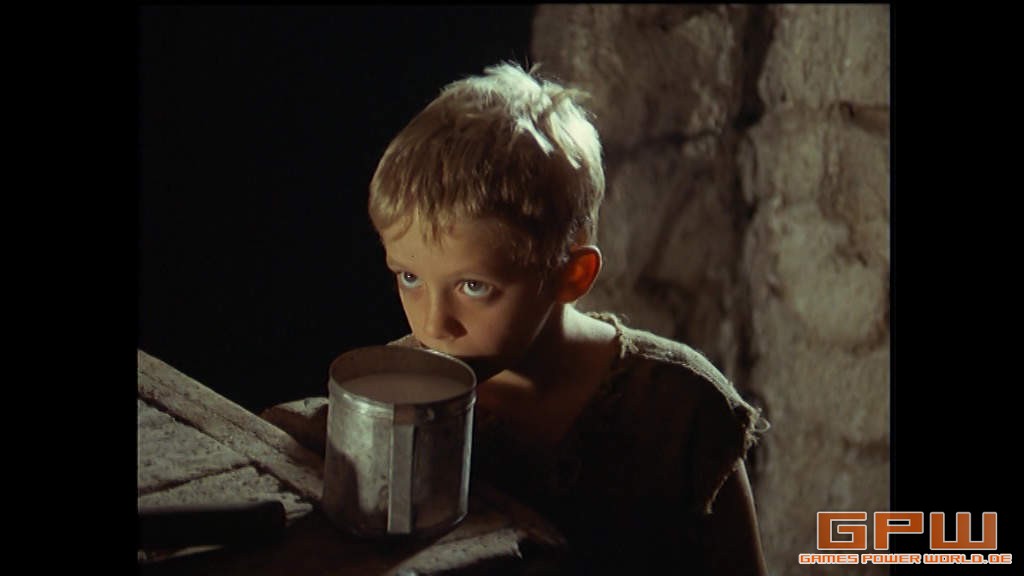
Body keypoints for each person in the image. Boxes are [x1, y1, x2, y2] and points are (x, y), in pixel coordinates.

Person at [362, 61, 770, 575]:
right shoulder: (390, 396)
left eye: (473, 287)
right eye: (410, 278)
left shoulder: (677, 408)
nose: (433, 325)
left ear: (571, 275)